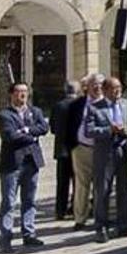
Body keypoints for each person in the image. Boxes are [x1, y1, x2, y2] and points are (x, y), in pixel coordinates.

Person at [0, 82, 49, 252]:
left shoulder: (35, 111)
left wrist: (25, 130)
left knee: (30, 200)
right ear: (11, 94)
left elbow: (44, 128)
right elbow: (10, 136)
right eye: (19, 92)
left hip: (32, 162)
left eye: (25, 92)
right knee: (9, 202)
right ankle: (6, 238)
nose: (23, 95)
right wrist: (31, 135)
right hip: (12, 164)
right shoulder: (4, 115)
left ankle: (29, 234)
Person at [87, 77, 127, 243]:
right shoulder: (95, 108)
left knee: (124, 190)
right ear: (105, 90)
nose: (117, 91)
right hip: (105, 154)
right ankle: (101, 227)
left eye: (119, 88)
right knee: (103, 191)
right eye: (114, 88)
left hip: (123, 150)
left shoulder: (126, 105)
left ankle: (124, 225)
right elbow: (89, 131)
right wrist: (110, 129)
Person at [69, 73, 105, 231]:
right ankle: (80, 218)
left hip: (102, 150)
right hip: (81, 149)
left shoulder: (109, 104)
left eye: (100, 84)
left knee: (101, 185)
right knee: (82, 185)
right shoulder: (77, 104)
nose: (97, 87)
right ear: (87, 87)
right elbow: (68, 126)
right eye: (94, 85)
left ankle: (100, 218)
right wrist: (72, 146)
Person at [49, 79, 80, 221]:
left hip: (62, 149)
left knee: (62, 182)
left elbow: (53, 128)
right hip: (77, 149)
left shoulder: (58, 106)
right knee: (78, 182)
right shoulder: (80, 105)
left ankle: (60, 211)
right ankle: (75, 208)